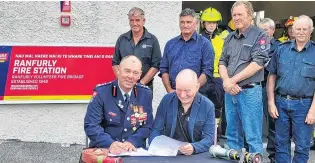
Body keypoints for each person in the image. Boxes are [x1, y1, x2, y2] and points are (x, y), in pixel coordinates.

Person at [218, 1, 269, 154]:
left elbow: (258, 63)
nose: (236, 18)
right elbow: (222, 62)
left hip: (249, 92)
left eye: (240, 14)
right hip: (230, 92)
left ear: (250, 16)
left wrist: (232, 81)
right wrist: (227, 81)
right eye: (234, 15)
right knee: (232, 135)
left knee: (253, 136)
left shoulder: (260, 35)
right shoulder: (229, 38)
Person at [266, 15, 315, 163]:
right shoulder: (282, 49)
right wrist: (271, 102)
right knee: (280, 144)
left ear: (311, 31)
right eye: (298, 29)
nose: (301, 32)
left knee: (302, 146)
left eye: (304, 29)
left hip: (304, 106)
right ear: (292, 30)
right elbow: (271, 76)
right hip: (281, 103)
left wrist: (313, 110)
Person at [84, 55, 153, 154]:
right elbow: (91, 125)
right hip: (106, 150)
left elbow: (148, 126)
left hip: (134, 150)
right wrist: (110, 144)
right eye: (127, 71)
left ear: (139, 75)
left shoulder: (145, 94)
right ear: (118, 70)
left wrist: (132, 142)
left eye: (135, 73)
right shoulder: (102, 92)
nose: (130, 76)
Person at [149, 69, 215, 155]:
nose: (183, 95)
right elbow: (156, 130)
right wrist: (156, 145)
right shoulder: (166, 100)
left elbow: (209, 139)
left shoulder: (207, 106)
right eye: (179, 90)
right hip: (169, 154)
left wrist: (194, 147)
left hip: (195, 156)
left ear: (197, 87)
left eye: (187, 91)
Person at [159, 8, 214, 94]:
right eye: (182, 22)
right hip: (174, 93)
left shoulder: (205, 44)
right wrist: (169, 90)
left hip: (197, 94)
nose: (185, 25)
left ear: (196, 24)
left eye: (188, 22)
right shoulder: (170, 44)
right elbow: (163, 69)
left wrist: (193, 89)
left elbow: (208, 70)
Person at [112, 7, 162, 90]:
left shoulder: (152, 40)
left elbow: (156, 65)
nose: (134, 23)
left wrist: (141, 83)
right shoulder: (122, 39)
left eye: (137, 20)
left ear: (144, 21)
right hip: (124, 87)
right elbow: (115, 63)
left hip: (145, 86)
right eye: (132, 20)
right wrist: (123, 81)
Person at [199, 7, 225, 136]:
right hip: (203, 78)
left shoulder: (220, 40)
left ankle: (215, 133)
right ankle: (203, 133)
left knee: (217, 107)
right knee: (202, 106)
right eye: (209, 22)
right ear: (203, 23)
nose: (212, 25)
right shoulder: (198, 40)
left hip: (217, 78)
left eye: (214, 22)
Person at [258, 17, 280, 163]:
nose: (263, 33)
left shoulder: (279, 47)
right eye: (260, 30)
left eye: (265, 30)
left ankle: (273, 155)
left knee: (273, 123)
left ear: (272, 30)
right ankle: (252, 153)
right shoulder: (256, 44)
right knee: (254, 120)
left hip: (271, 88)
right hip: (256, 86)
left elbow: (271, 66)